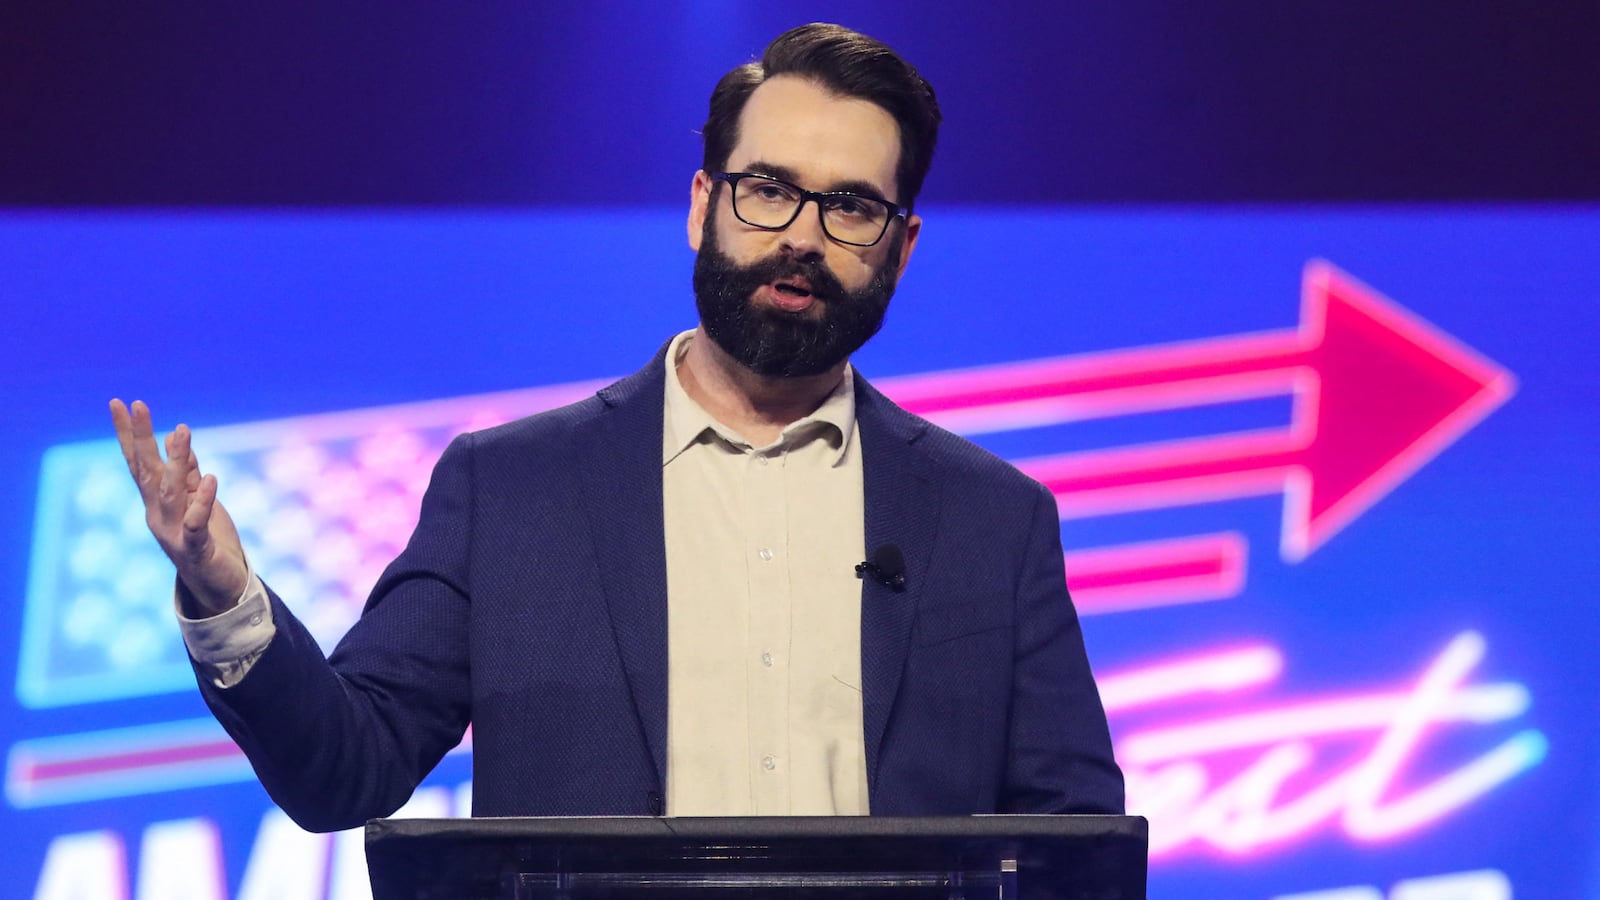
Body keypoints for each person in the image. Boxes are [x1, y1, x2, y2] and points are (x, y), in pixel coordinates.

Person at [110, 23, 1124, 832]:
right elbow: (347, 768)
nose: (801, 237)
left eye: (852, 208)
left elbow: (1074, 837)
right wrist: (226, 596)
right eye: (769, 190)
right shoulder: (511, 491)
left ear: (901, 249)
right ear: (702, 204)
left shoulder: (993, 522)